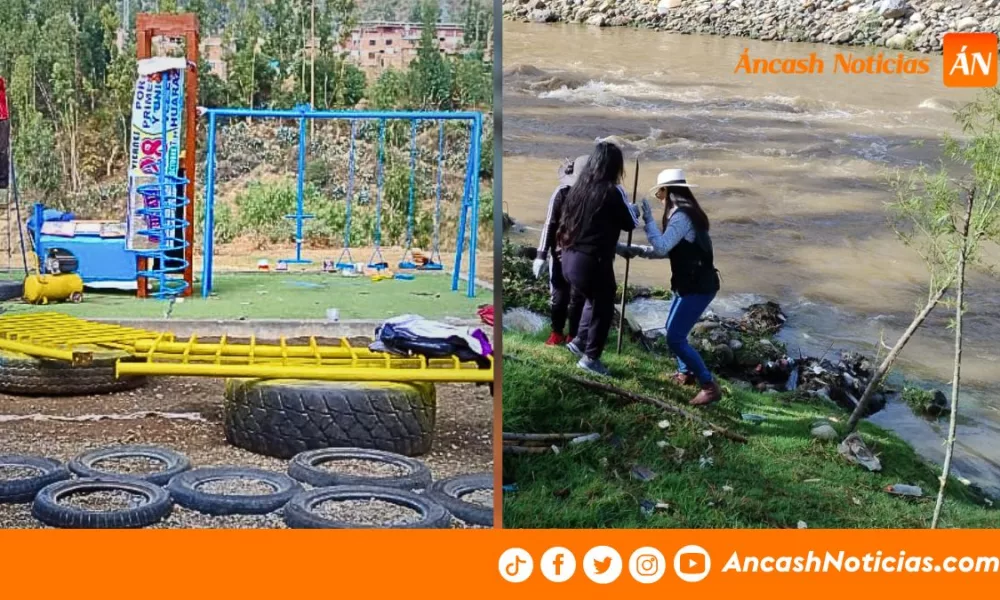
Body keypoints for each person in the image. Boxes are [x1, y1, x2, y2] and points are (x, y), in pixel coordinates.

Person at [617, 168, 722, 406]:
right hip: (691, 282)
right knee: (672, 329)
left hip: (698, 285)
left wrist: (648, 221)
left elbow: (663, 247)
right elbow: (671, 250)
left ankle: (708, 385)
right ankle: (685, 373)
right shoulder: (687, 212)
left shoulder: (682, 216)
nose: (659, 198)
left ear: (669, 190)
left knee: (674, 337)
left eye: (660, 193)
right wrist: (636, 251)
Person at [557, 142, 639, 376]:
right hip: (592, 261)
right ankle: (591, 359)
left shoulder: (578, 188)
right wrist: (634, 210)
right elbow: (630, 223)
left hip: (569, 259)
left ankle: (579, 341)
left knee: (591, 300)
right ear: (614, 167)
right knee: (603, 307)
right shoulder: (612, 192)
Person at [533, 155, 589, 346]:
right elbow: (549, 224)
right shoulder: (561, 193)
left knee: (577, 298)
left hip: (582, 255)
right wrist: (541, 255)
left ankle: (573, 335)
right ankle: (556, 332)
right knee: (558, 297)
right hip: (559, 254)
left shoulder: (595, 196)